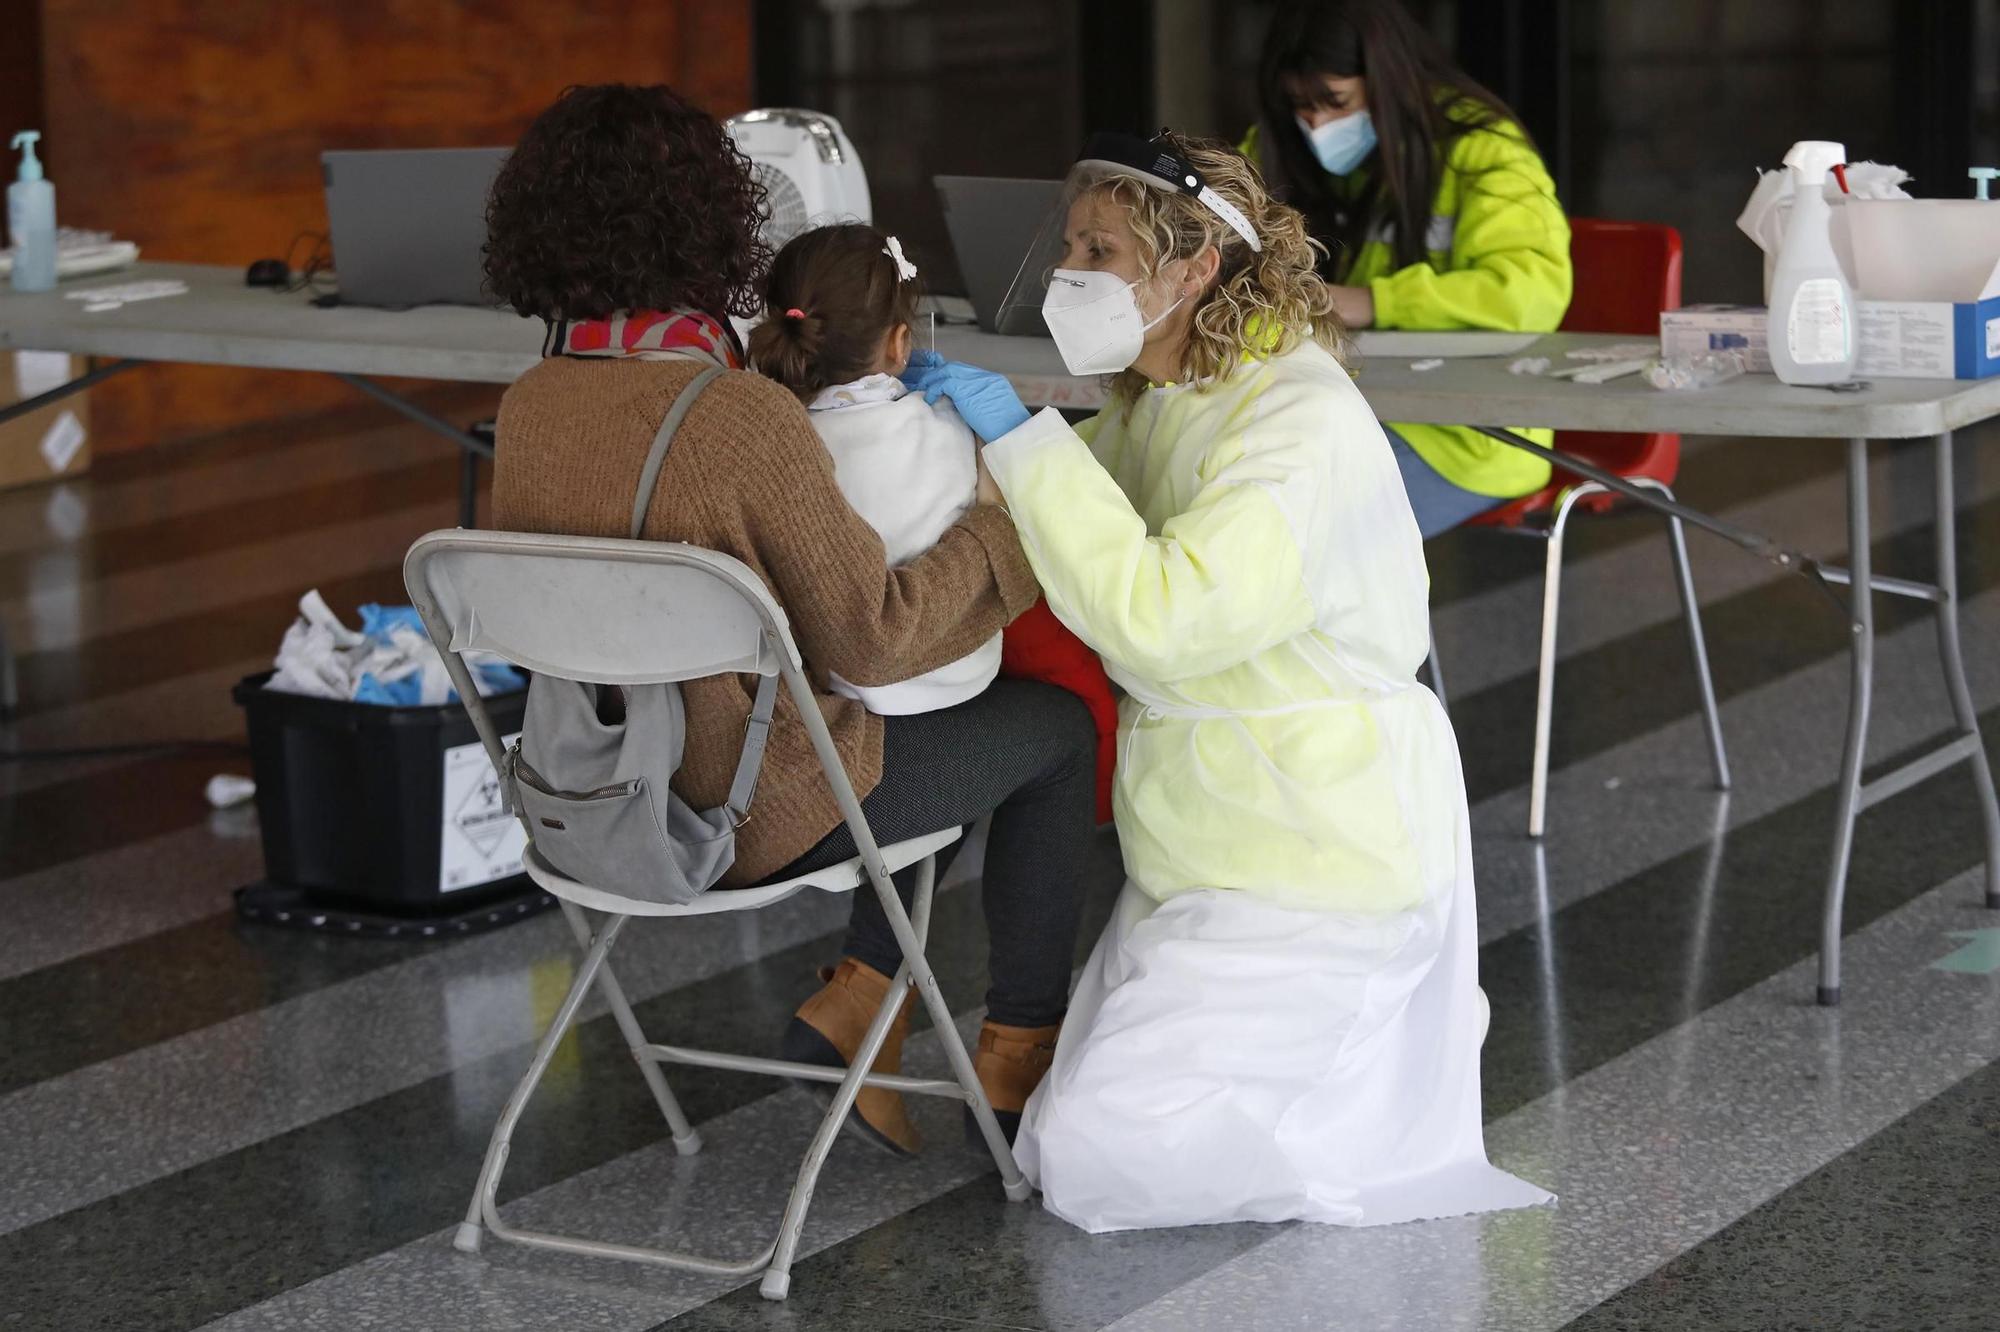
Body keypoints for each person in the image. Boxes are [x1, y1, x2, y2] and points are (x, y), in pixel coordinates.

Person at [904, 131, 1552, 1231]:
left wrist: (1018, 440)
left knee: (1099, 1152)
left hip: (1317, 853)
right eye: (1070, 244)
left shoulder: (1293, 421)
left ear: (1193, 268)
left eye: (1100, 249)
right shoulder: (1170, 394)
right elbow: (1072, 514)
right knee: (1076, 1136)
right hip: (1206, 849)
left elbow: (1159, 618)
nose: (1071, 272)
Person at [482, 84, 1098, 1157]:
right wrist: (996, 532)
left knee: (877, 731)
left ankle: (862, 996)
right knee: (1043, 730)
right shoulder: (738, 420)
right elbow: (875, 636)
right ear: (712, 220)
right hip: (736, 818)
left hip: (580, 804)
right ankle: (1016, 1060)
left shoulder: (530, 403)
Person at [748, 223, 1118, 823]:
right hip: (951, 687)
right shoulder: (948, 423)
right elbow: (1032, 530)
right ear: (900, 344)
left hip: (828, 703)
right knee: (1068, 722)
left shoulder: (772, 445)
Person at [1245, 0, 1573, 536]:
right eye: (1301, 105)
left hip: (1464, 436)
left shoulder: (1480, 149)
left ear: (1387, 78)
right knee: (1209, 502)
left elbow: (1530, 292)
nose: (1317, 124)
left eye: (1335, 101)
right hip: (1327, 407)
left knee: (1300, 536)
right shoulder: (1279, 149)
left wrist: (1370, 301)